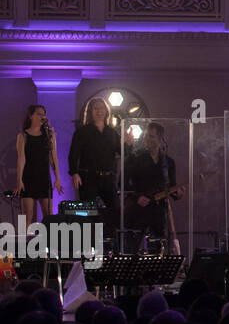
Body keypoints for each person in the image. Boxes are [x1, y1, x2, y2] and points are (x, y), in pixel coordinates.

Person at [124, 122, 183, 253]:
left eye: (151, 136)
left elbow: (171, 186)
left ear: (160, 139)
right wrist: (137, 197)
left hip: (159, 211)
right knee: (132, 248)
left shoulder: (168, 162)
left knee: (158, 248)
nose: (148, 140)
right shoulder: (135, 159)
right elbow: (123, 184)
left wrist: (177, 193)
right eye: (146, 136)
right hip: (138, 211)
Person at [67, 97, 122, 233]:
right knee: (88, 213)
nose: (99, 111)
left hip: (108, 178)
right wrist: (74, 173)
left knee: (114, 210)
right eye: (96, 108)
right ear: (90, 111)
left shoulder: (112, 133)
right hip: (88, 177)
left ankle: (112, 243)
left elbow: (121, 152)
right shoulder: (82, 132)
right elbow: (73, 154)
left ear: (106, 111)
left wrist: (128, 143)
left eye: (101, 108)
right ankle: (88, 246)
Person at [15, 105, 61, 227]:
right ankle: (22, 244)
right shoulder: (23, 135)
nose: (42, 117)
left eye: (43, 114)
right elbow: (21, 159)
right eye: (38, 114)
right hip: (29, 178)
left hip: (44, 179)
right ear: (31, 116)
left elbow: (53, 157)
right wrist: (19, 180)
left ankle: (50, 244)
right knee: (27, 216)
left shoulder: (49, 134)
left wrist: (57, 178)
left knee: (49, 216)